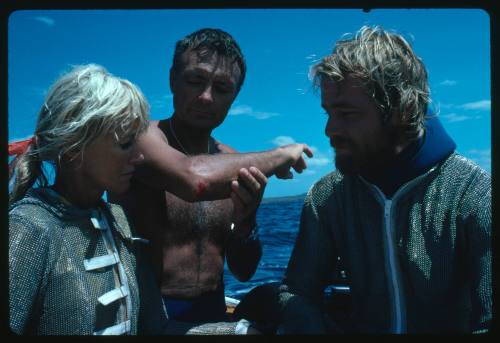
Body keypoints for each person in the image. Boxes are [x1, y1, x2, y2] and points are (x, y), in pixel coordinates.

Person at [8, 64, 259, 335]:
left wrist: (240, 331)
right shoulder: (28, 228)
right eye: (126, 144)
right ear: (73, 147)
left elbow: (158, 328)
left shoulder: (118, 222)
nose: (139, 158)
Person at [277, 25, 491, 334]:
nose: (330, 130)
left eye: (347, 114)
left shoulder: (475, 195)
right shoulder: (328, 197)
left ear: (402, 110)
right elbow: (296, 293)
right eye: (328, 113)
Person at [109, 28, 313, 324]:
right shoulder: (140, 137)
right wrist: (280, 154)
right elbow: (195, 179)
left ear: (235, 96)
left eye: (222, 88)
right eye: (195, 81)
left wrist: (245, 223)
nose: (206, 97)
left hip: (212, 312)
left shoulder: (232, 162)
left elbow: (243, 271)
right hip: (147, 315)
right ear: (172, 80)